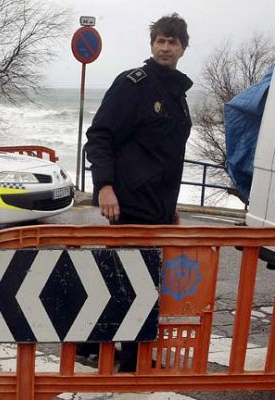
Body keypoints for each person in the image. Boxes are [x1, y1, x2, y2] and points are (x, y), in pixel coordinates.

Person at [82, 13, 192, 371]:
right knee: (130, 282)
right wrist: (105, 187)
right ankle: (126, 358)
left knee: (136, 281)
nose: (165, 47)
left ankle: (106, 350)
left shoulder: (177, 95)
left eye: (172, 42)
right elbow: (99, 136)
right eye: (160, 40)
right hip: (128, 204)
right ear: (151, 45)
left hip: (157, 208)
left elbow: (168, 156)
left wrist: (170, 206)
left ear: (182, 48)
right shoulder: (133, 85)